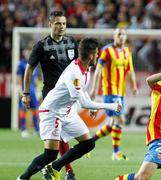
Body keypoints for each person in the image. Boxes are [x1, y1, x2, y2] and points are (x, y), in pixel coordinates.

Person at [17, 37, 121, 180]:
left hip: (67, 112)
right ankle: (23, 178)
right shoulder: (74, 73)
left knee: (88, 144)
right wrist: (111, 106)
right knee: (50, 154)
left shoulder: (85, 70)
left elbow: (83, 93)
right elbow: (83, 103)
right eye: (96, 53)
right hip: (52, 112)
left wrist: (91, 104)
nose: (97, 56)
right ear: (91, 55)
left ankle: (54, 167)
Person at [21, 10, 78, 180]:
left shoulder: (71, 43)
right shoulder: (41, 45)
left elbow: (77, 68)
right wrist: (25, 93)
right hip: (51, 94)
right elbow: (29, 68)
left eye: (64, 24)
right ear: (50, 25)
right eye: (58, 23)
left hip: (69, 94)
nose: (61, 27)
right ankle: (67, 171)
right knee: (59, 135)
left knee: (63, 136)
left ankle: (54, 168)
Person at [90, 28, 138, 160]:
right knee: (120, 120)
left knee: (113, 124)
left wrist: (133, 85)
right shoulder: (106, 51)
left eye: (123, 34)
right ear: (114, 36)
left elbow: (130, 70)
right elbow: (98, 70)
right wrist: (94, 89)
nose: (121, 37)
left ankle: (90, 141)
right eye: (118, 34)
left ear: (126, 36)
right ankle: (116, 152)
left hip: (120, 92)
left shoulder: (127, 51)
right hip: (110, 91)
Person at [17, 45, 40, 138]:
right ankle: (23, 129)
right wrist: (19, 87)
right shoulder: (21, 64)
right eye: (27, 51)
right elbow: (19, 77)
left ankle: (37, 129)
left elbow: (35, 78)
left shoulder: (35, 64)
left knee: (35, 109)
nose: (28, 53)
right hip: (24, 90)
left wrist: (37, 88)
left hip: (33, 91)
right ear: (24, 52)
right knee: (23, 109)